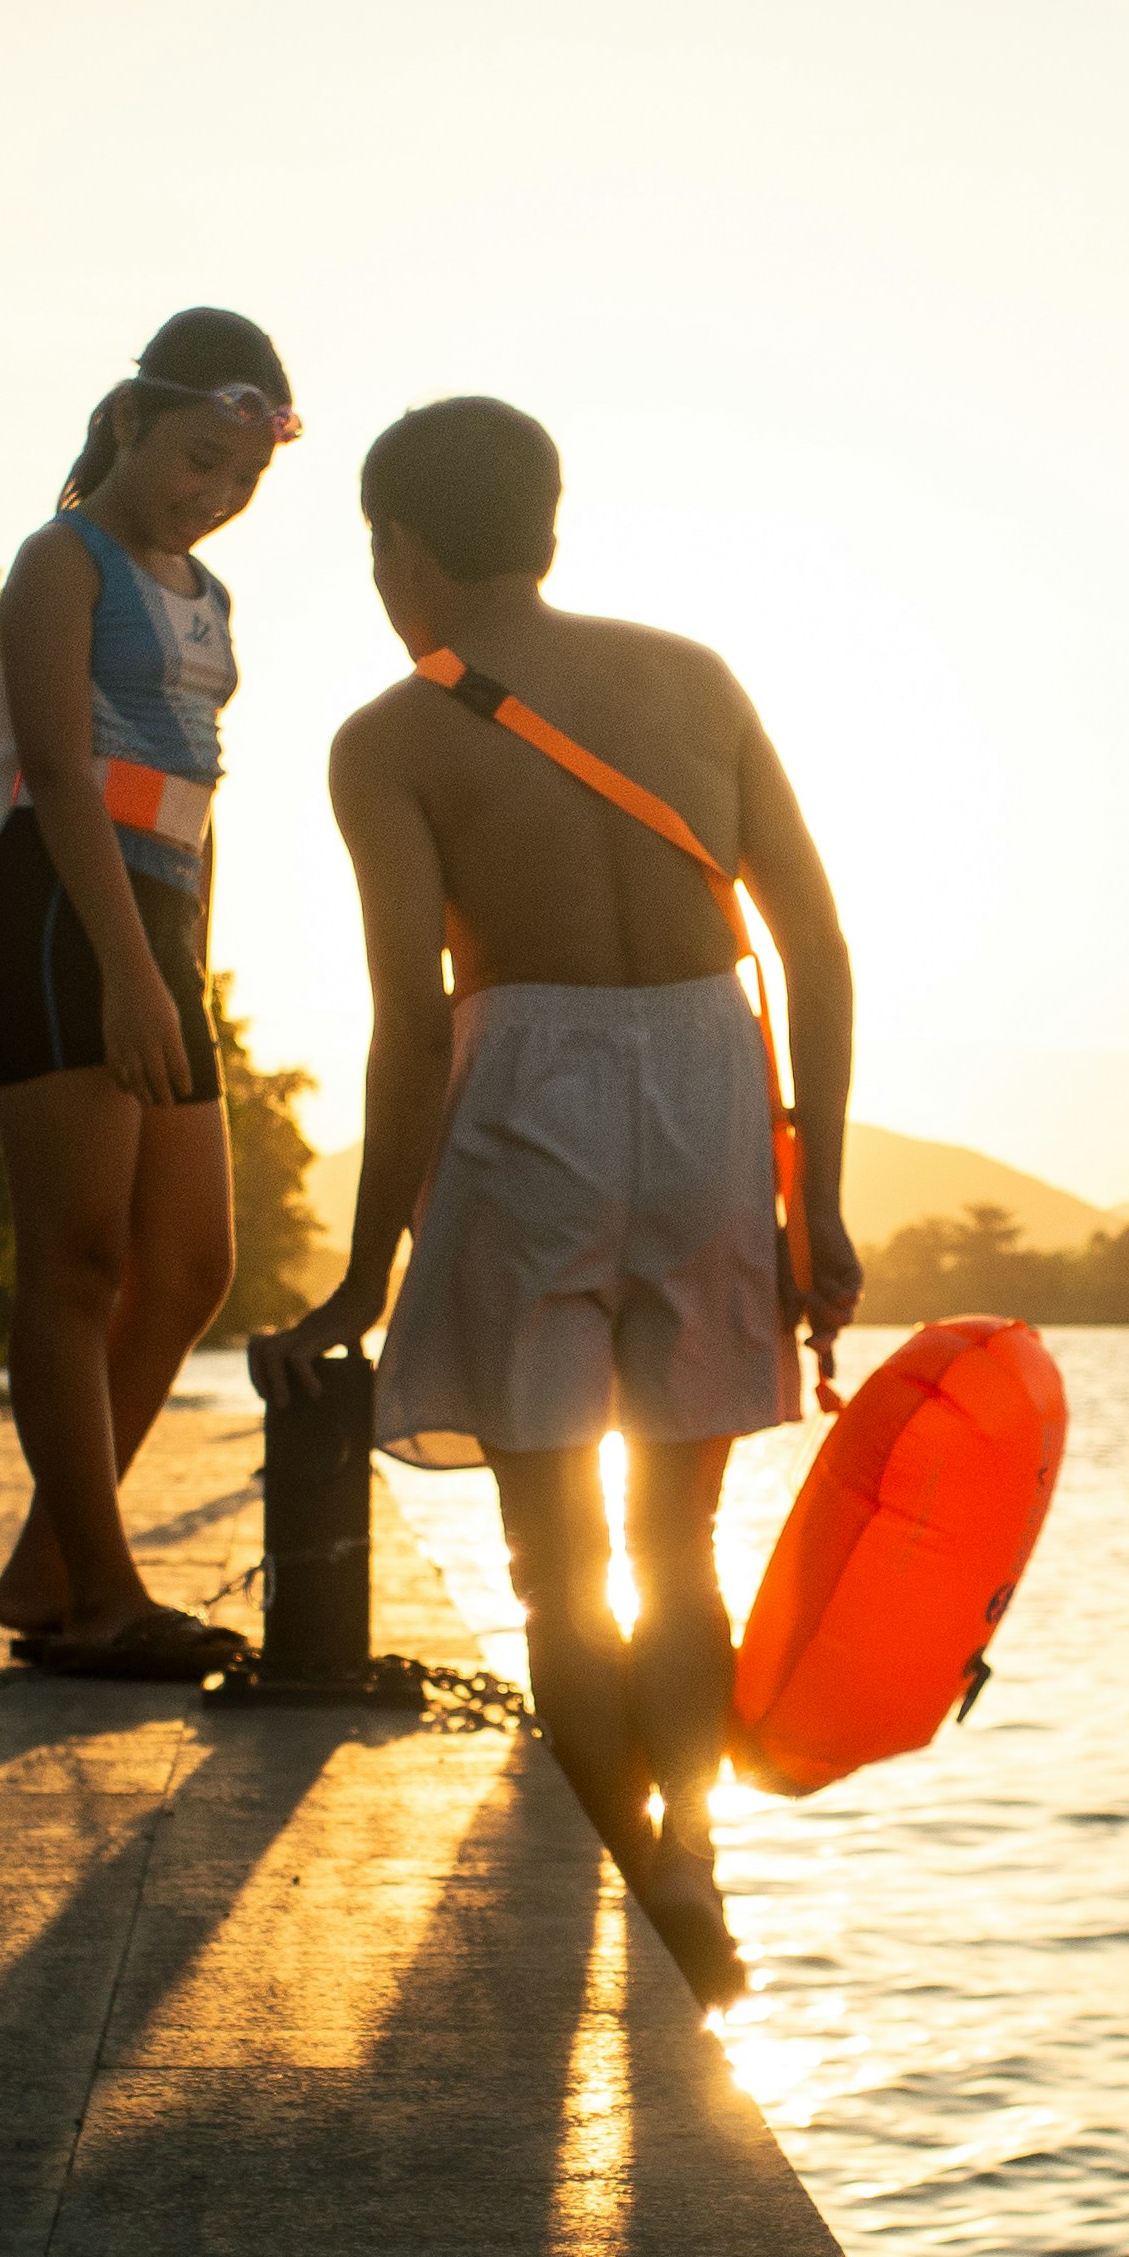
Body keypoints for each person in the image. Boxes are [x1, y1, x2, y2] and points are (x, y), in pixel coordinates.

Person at [254, 397, 859, 1968]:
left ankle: (623, 1892)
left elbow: (406, 1019)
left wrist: (365, 1266)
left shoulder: (389, 740)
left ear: (402, 551)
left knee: (556, 1561)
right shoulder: (695, 678)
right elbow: (815, 943)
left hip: (527, 1090)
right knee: (678, 1542)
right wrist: (824, 1197)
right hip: (713, 1082)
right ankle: (690, 1854)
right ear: (547, 525)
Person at [0, 307, 299, 1679]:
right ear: (126, 422)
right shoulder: (65, 560)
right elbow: (55, 771)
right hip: (58, 912)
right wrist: (121, 968)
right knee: (84, 1257)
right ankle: (98, 1594)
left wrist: (184, 973)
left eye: (240, 482)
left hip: (162, 928)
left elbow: (199, 801)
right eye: (195, 461)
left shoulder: (207, 598)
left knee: (194, 1261)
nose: (211, 499)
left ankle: (51, 1563)